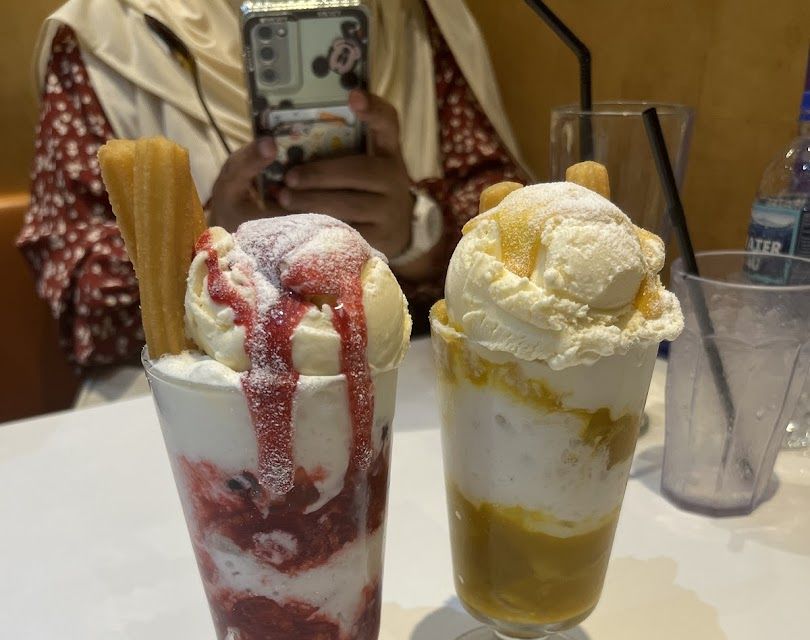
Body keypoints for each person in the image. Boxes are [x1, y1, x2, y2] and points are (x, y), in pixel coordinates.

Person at [18, 0, 527, 403]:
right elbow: (80, 296)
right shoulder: (106, 37)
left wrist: (418, 230)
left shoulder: (416, 19)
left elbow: (510, 231)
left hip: (393, 375)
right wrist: (206, 243)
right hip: (187, 400)